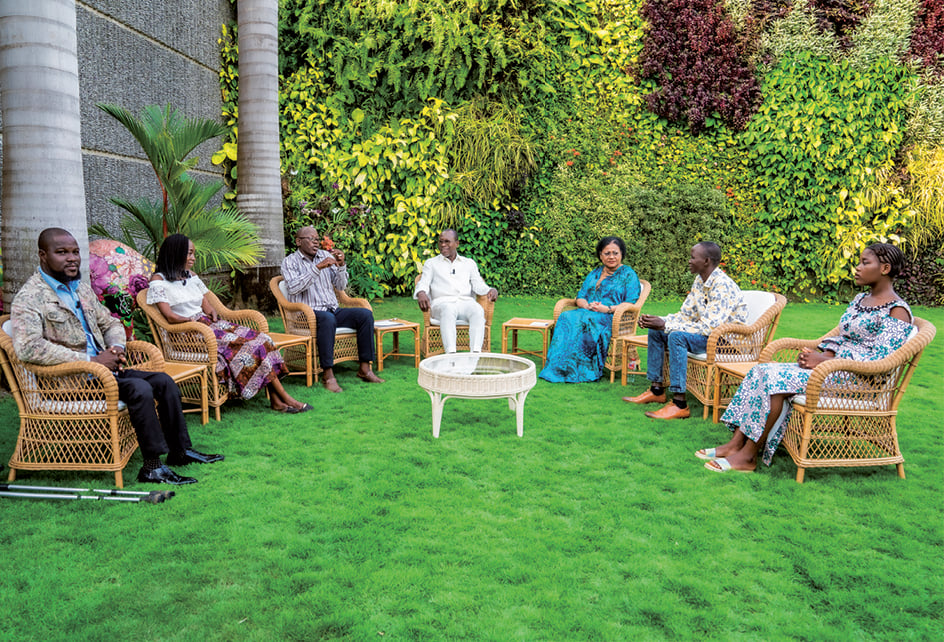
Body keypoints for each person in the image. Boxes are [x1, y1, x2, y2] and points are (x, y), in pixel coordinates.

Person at [11, 228, 223, 485]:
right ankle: (152, 468)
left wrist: (116, 348)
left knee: (163, 381)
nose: (72, 259)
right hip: (69, 382)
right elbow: (28, 347)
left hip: (104, 373)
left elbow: (110, 323)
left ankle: (180, 452)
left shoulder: (80, 290)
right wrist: (91, 362)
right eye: (62, 252)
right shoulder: (30, 297)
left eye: (75, 252)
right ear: (43, 255)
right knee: (139, 388)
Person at [698, 243, 913, 473]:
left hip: (859, 382)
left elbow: (880, 361)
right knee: (762, 370)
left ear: (885, 268)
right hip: (832, 370)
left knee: (774, 381)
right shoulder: (860, 300)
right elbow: (843, 336)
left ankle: (748, 456)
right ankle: (735, 445)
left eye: (865, 262)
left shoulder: (897, 311)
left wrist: (825, 362)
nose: (857, 268)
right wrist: (822, 354)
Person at [149, 234, 312, 413]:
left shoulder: (191, 276)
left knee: (262, 339)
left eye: (194, 254)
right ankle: (286, 399)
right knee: (249, 346)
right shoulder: (159, 281)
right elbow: (169, 316)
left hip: (208, 324)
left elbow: (207, 304)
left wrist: (211, 311)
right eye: (189, 254)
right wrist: (192, 320)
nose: (193, 258)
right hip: (188, 333)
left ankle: (277, 400)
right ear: (175, 253)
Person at [624, 241, 748, 419]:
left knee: (676, 337)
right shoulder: (700, 281)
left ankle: (679, 404)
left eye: (692, 257)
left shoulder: (722, 286)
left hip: (726, 342)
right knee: (657, 332)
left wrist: (666, 325)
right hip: (709, 335)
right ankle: (657, 390)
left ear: (706, 261)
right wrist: (660, 322)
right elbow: (685, 315)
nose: (689, 261)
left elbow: (708, 327)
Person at [281, 226, 383, 393]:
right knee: (328, 320)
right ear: (298, 241)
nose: (315, 242)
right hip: (305, 315)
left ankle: (365, 368)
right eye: (311, 239)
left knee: (365, 315)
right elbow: (293, 288)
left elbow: (340, 285)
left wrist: (341, 266)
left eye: (317, 239)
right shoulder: (290, 262)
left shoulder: (325, 255)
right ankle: (328, 374)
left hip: (332, 310)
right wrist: (317, 268)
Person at [539, 236, 641, 382]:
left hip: (611, 316)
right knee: (566, 317)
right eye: (607, 253)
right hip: (588, 311)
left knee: (586, 320)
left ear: (621, 254)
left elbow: (631, 303)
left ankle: (582, 371)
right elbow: (580, 296)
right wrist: (586, 305)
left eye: (615, 253)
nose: (611, 257)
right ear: (600, 255)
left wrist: (607, 309)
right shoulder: (595, 273)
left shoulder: (628, 275)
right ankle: (559, 366)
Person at [413, 229, 499, 353]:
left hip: (465, 302)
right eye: (441, 242)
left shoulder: (469, 263)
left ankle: (475, 353)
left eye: (447, 242)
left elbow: (478, 285)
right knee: (449, 309)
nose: (443, 245)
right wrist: (421, 292)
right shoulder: (431, 263)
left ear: (457, 243)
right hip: (442, 304)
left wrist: (490, 289)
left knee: (478, 310)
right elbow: (423, 282)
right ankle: (451, 354)